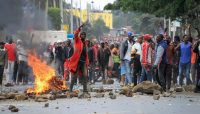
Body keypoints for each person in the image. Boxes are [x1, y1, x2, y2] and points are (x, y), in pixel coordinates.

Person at [68, 24, 89, 94]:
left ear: (85, 36)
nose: (83, 35)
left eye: (84, 35)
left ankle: (85, 90)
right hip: (78, 61)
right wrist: (79, 28)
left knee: (85, 75)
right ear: (80, 36)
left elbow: (86, 53)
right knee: (75, 75)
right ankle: (70, 89)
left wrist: (87, 62)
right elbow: (75, 34)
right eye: (82, 34)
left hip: (83, 61)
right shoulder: (77, 40)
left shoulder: (85, 43)